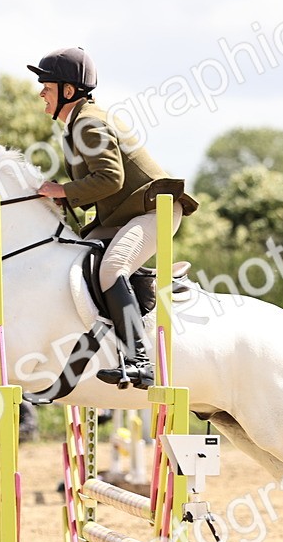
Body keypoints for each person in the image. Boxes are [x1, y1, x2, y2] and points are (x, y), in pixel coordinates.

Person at [27, 46, 197, 390]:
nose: (41, 93)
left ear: (68, 90)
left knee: (112, 269)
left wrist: (63, 191)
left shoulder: (88, 122)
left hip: (154, 210)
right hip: (126, 215)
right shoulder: (77, 123)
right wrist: (64, 195)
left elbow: (110, 179)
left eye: (47, 86)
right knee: (73, 259)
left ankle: (139, 360)